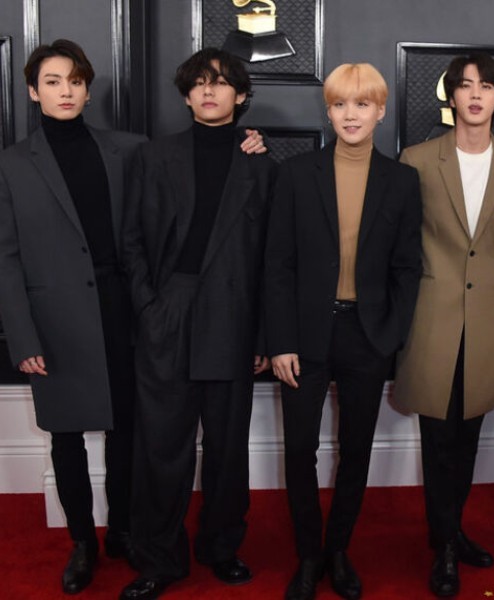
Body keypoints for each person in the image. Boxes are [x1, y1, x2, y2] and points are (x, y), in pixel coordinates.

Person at [120, 48, 276, 599]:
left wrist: (263, 335)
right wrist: (149, 306)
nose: (210, 91)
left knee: (228, 449)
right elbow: (131, 242)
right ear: (187, 96)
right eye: (200, 83)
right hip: (169, 310)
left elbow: (272, 261)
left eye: (222, 82)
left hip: (234, 316)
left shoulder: (262, 165)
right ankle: (158, 559)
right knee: (161, 445)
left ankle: (222, 547)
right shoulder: (153, 157)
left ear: (240, 94)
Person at [265, 63, 422, 600]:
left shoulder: (402, 181)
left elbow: (408, 266)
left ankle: (338, 550)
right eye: (339, 104)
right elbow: (277, 264)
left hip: (367, 334)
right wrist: (281, 341)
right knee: (300, 450)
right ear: (328, 111)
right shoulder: (295, 174)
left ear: (381, 111)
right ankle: (309, 555)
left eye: (361, 104)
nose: (350, 115)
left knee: (356, 449)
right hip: (304, 334)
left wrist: (391, 333)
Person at [393, 52, 494, 598]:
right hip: (431, 319)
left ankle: (451, 532)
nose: (475, 94)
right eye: (465, 85)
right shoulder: (417, 159)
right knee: (437, 439)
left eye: (485, 86)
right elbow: (400, 243)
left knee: (468, 438)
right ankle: (445, 548)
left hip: (487, 323)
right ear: (452, 97)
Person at [0, 39, 145, 595]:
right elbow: (6, 258)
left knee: (126, 430)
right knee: (66, 439)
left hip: (120, 311)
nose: (66, 91)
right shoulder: (12, 164)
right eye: (53, 82)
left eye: (76, 81)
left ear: (87, 90)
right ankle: (83, 542)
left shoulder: (128, 150)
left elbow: (189, 166)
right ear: (33, 91)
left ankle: (124, 530)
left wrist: (247, 141)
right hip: (53, 323)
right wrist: (22, 337)